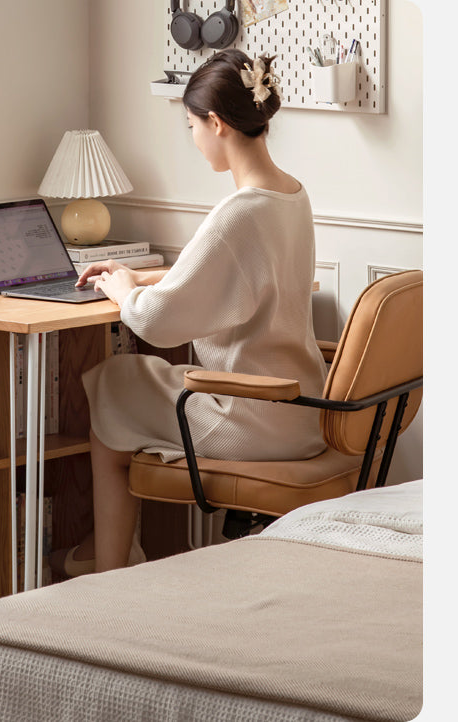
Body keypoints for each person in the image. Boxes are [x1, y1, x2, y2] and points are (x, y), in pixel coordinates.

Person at [55, 49, 328, 576]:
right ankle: (106, 554)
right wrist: (140, 277)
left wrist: (123, 290)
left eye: (191, 125)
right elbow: (229, 280)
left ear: (217, 123)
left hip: (248, 417)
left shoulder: (239, 213)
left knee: (114, 383)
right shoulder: (291, 194)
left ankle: (108, 568)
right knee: (133, 385)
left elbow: (157, 322)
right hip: (302, 411)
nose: (194, 138)